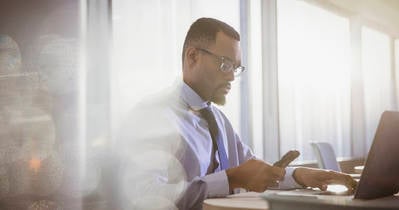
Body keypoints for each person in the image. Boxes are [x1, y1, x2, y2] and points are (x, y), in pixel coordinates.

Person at [117, 17, 357, 210]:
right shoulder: (153, 115)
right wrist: (230, 180)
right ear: (192, 56)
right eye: (225, 64)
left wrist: (302, 176)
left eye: (236, 67)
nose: (232, 76)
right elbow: (145, 196)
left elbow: (253, 172)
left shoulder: (219, 121)